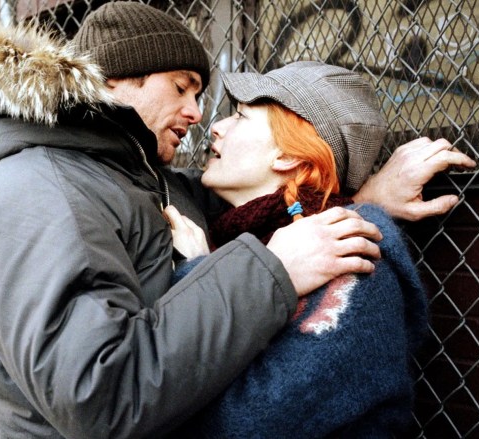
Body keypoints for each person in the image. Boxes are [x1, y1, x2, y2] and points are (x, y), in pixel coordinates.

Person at [0, 2, 473, 437]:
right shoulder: (37, 191)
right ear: (113, 81)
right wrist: (266, 270)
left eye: (214, 102)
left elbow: (270, 204)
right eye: (181, 87)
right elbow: (100, 394)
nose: (201, 117)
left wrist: (366, 199)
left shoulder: (136, 180)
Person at [166, 61, 429, 437]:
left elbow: (244, 425)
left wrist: (200, 274)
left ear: (288, 156)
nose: (216, 127)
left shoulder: (352, 260)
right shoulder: (246, 237)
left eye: (239, 116)